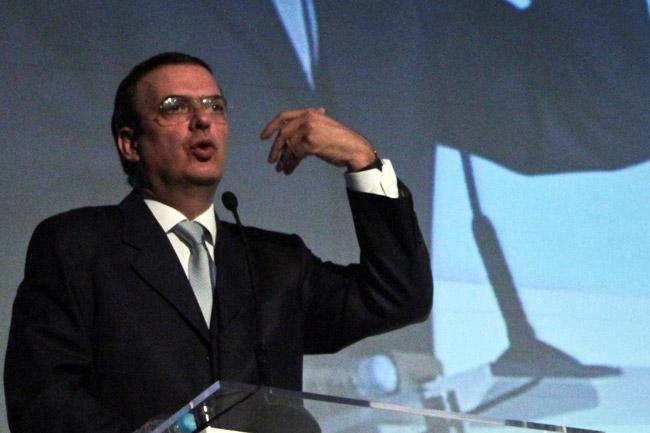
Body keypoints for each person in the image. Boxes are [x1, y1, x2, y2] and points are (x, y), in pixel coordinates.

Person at [4, 52, 432, 433]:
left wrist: (362, 160)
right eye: (174, 107)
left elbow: (399, 296)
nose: (202, 119)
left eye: (215, 106)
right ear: (130, 143)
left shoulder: (276, 263)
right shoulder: (78, 246)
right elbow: (42, 398)